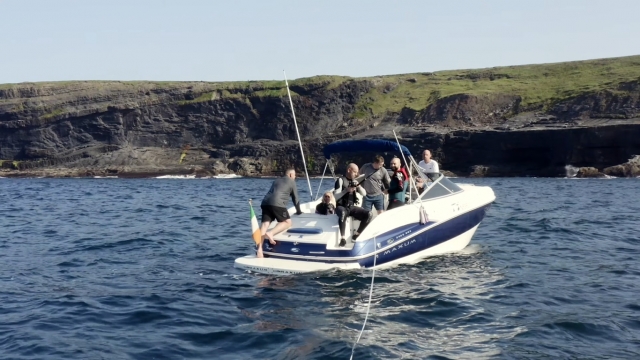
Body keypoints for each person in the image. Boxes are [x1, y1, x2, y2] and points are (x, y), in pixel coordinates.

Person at [258, 168, 302, 258]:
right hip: (277, 204)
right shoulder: (291, 182)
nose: (295, 177)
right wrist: (298, 211)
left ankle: (259, 250)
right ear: (290, 175)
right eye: (294, 175)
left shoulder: (276, 180)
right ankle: (271, 233)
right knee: (287, 222)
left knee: (264, 225)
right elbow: (295, 199)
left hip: (265, 203)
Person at [333, 163, 372, 247]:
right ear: (349, 170)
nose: (356, 174)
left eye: (357, 172)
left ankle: (356, 234)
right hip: (341, 206)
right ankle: (343, 238)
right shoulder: (340, 180)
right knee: (343, 213)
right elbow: (335, 196)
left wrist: (358, 186)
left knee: (369, 214)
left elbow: (364, 194)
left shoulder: (355, 181)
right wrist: (346, 191)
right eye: (355, 172)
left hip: (351, 207)